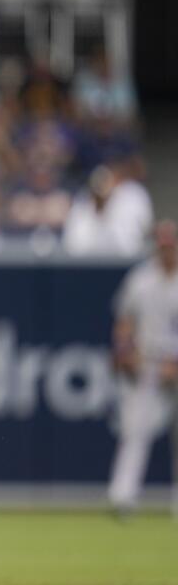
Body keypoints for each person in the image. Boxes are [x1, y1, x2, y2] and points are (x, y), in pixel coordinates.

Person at [107, 220, 178, 516]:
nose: (166, 250)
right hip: (148, 362)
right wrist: (125, 353)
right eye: (162, 245)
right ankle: (123, 497)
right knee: (135, 430)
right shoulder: (141, 279)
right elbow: (124, 321)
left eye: (170, 245)